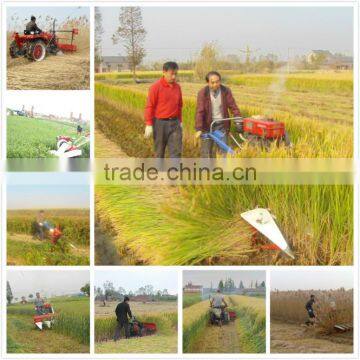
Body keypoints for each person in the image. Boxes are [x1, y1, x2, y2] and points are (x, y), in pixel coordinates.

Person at [195, 71, 241, 158]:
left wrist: (238, 120)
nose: (215, 84)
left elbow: (233, 106)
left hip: (221, 125)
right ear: (208, 82)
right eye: (213, 82)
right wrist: (199, 128)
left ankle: (222, 169)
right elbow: (200, 111)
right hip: (207, 126)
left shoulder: (225, 91)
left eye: (217, 82)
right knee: (206, 152)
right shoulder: (202, 93)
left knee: (223, 151)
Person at [144, 62, 183, 158]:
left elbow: (179, 106)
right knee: (159, 152)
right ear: (164, 72)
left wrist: (180, 121)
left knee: (176, 151)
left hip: (175, 123)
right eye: (171, 74)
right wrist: (149, 124)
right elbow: (150, 106)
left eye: (175, 74)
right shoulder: (155, 87)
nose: (174, 77)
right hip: (160, 124)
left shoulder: (177, 87)